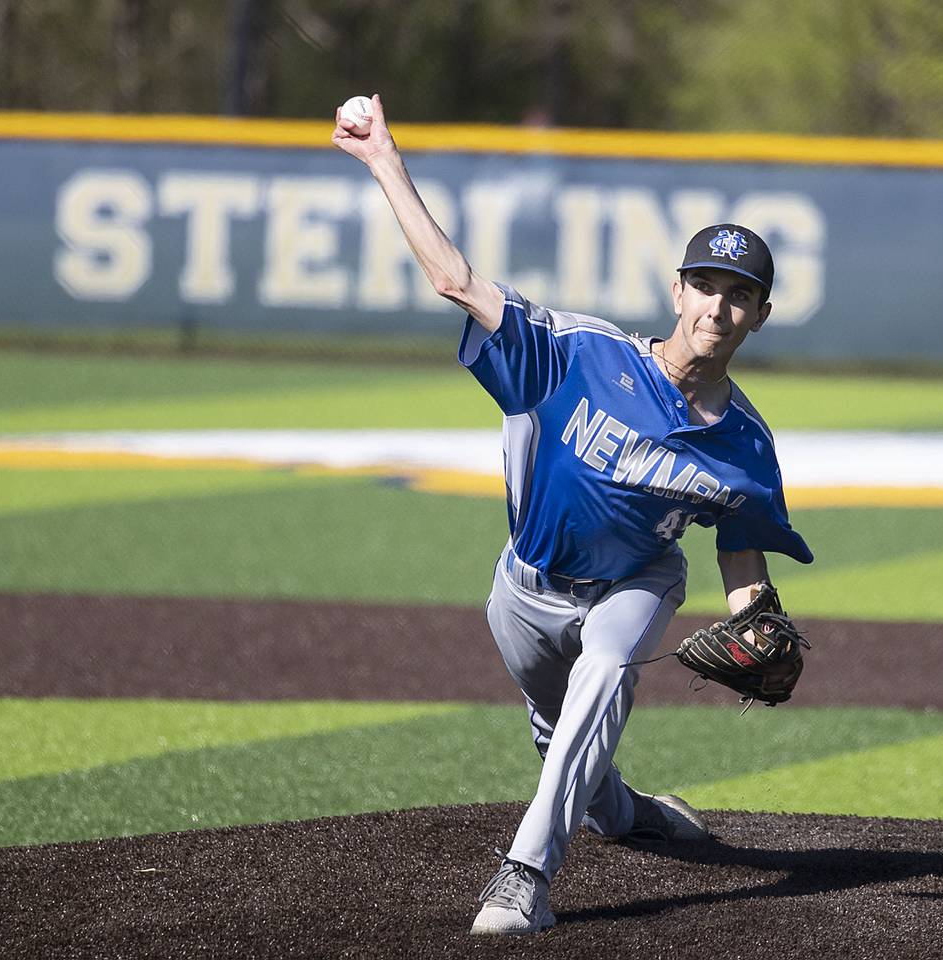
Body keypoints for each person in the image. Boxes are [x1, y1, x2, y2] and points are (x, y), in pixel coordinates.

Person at [333, 95, 813, 936]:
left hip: (636, 582)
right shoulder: (577, 355)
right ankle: (632, 813)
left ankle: (524, 878)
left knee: (606, 673)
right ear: (677, 289)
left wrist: (758, 620)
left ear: (761, 315)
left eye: (741, 295)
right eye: (705, 284)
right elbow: (453, 279)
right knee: (570, 751)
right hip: (521, 590)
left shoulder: (745, 443)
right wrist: (384, 163)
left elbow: (741, 544)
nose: (718, 307)